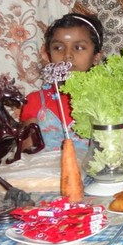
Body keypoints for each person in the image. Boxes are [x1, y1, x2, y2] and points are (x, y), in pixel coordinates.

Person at [20, 13, 104, 153]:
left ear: (96, 57)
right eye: (58, 48)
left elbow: (122, 153)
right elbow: (27, 152)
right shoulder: (36, 101)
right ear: (47, 54)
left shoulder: (106, 102)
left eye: (79, 47)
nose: (67, 55)